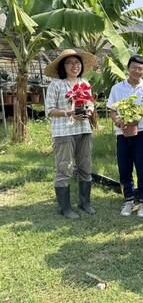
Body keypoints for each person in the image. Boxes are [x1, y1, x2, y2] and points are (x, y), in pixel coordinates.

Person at [44, 49, 97, 219]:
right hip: (63, 132)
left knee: (85, 166)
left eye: (77, 62)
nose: (74, 66)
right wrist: (69, 113)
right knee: (64, 167)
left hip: (83, 130)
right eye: (69, 63)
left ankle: (84, 202)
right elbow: (49, 110)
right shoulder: (56, 84)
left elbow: (90, 103)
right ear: (63, 66)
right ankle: (65, 207)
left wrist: (88, 111)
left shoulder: (85, 83)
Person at [107, 55, 143, 218]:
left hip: (141, 133)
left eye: (140, 68)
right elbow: (112, 110)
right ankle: (128, 200)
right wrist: (119, 121)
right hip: (122, 133)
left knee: (142, 167)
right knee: (124, 166)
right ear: (128, 68)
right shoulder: (117, 88)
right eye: (134, 67)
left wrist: (134, 120)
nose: (137, 71)